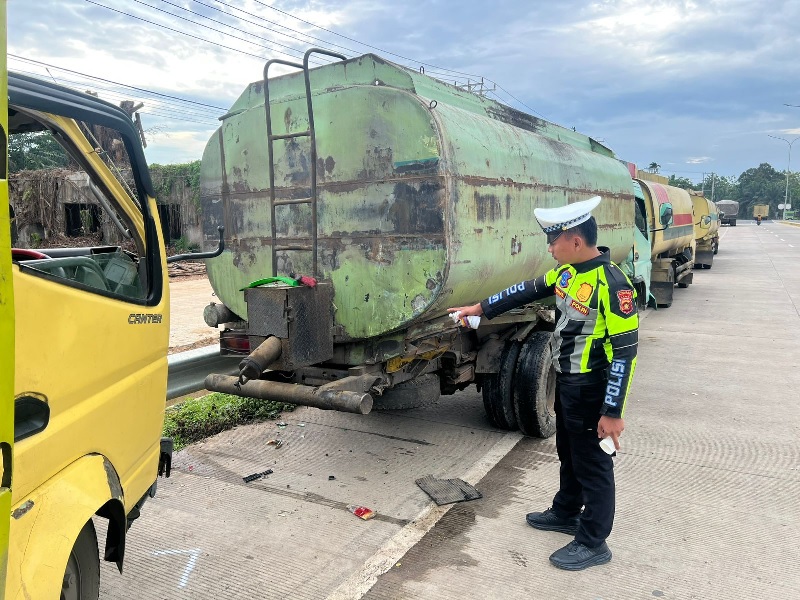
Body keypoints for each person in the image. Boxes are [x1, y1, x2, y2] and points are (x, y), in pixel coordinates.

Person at [448, 196, 639, 571]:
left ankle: (593, 540)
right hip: (567, 381)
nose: (549, 248)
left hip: (592, 386)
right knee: (569, 452)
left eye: (553, 240)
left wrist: (612, 411)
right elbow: (524, 290)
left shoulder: (613, 284)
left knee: (594, 463)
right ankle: (567, 511)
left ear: (575, 240)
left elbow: (625, 352)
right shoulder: (567, 274)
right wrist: (479, 309)